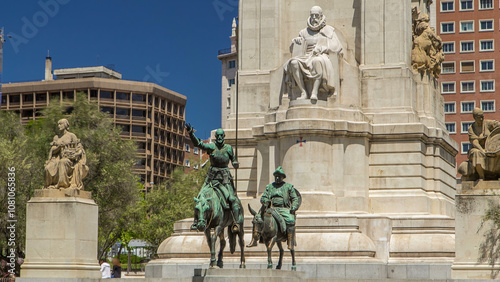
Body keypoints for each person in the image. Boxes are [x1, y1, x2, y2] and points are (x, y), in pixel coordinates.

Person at [186, 124, 242, 233]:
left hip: (224, 178)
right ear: (215, 137)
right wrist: (191, 134)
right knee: (199, 197)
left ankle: (236, 223)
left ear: (224, 136)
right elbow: (198, 143)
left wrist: (235, 163)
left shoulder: (229, 148)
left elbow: (234, 160)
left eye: (221, 136)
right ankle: (196, 221)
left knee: (232, 200)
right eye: (218, 136)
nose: (220, 138)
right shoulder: (211, 147)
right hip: (211, 177)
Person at [284, 6, 343, 101]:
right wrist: (296, 41)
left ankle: (314, 92)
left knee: (318, 61)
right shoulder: (303, 32)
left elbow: (337, 47)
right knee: (293, 63)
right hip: (305, 56)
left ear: (321, 16)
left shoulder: (328, 30)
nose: (314, 18)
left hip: (319, 55)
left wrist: (323, 48)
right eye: (312, 16)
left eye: (316, 16)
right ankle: (303, 91)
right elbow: (292, 49)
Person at [260, 166, 300, 250]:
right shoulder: (269, 187)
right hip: (272, 208)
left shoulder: (289, 187)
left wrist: (293, 207)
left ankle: (290, 241)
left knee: (291, 220)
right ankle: (258, 238)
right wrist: (265, 200)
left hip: (284, 209)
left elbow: (295, 199)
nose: (277, 178)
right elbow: (263, 197)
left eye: (279, 176)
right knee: (258, 219)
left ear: (283, 177)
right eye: (276, 176)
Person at [44, 118, 88, 189]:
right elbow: (53, 150)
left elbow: (79, 148)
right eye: (58, 124)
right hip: (56, 158)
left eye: (60, 124)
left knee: (63, 162)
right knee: (47, 168)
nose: (59, 126)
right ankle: (49, 185)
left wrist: (76, 154)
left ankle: (62, 185)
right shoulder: (56, 137)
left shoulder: (71, 136)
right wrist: (59, 147)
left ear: (65, 125)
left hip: (69, 159)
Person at [467, 108, 500, 179]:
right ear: (475, 117)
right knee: (476, 153)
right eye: (479, 117)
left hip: (491, 148)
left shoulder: (488, 123)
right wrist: (482, 150)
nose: (481, 119)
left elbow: (497, 125)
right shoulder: (471, 128)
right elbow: (474, 142)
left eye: (482, 116)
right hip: (478, 148)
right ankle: (481, 176)